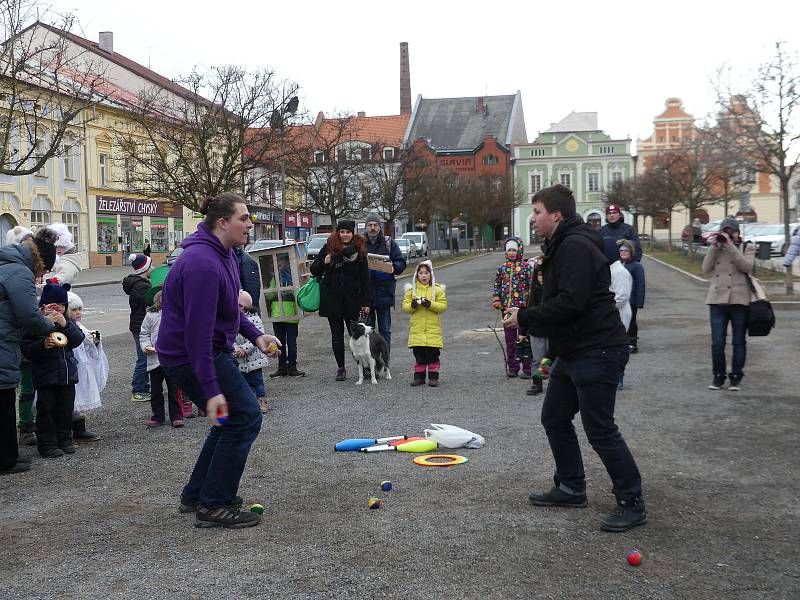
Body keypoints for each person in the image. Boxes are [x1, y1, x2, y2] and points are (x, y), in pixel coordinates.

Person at [503, 184, 645, 533]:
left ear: (556, 214)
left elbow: (571, 303)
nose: (533, 219)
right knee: (554, 417)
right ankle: (570, 486)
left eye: (537, 213)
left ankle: (631, 501)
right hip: (575, 349)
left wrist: (526, 316)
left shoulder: (576, 246)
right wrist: (552, 353)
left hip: (598, 348)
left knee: (600, 428)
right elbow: (567, 304)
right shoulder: (563, 244)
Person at [157, 192, 280, 529]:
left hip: (205, 351)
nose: (250, 224)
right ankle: (213, 504)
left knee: (230, 420)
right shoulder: (202, 264)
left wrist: (257, 336)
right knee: (245, 417)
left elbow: (227, 308)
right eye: (244, 218)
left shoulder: (224, 254)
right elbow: (197, 335)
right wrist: (211, 391)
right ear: (222, 222)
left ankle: (197, 494)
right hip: (191, 355)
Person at [0, 227, 61, 474]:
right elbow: (28, 316)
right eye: (44, 270)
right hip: (2, 340)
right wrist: (49, 323)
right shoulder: (19, 272)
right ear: (40, 262)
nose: (42, 276)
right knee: (3, 400)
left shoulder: (7, 262)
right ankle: (6, 460)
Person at [21, 281, 85, 458]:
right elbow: (26, 348)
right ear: (43, 306)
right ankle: (47, 444)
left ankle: (65, 439)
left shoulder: (68, 322)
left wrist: (65, 324)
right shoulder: (37, 323)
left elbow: (78, 339)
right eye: (53, 306)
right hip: (46, 376)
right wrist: (42, 345)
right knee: (46, 411)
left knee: (65, 409)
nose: (58, 310)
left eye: (62, 305)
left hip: (66, 375)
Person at [310, 220, 372, 381]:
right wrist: (325, 261)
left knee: (357, 335)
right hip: (332, 299)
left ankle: (364, 367)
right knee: (336, 336)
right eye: (342, 231)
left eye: (348, 232)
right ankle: (341, 368)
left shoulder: (359, 250)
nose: (345, 235)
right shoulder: (329, 247)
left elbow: (365, 279)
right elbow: (314, 269)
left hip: (353, 299)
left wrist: (366, 302)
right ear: (338, 233)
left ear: (353, 233)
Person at [702, 216, 755, 392]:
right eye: (724, 230)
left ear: (736, 232)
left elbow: (747, 266)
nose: (726, 234)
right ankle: (718, 376)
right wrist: (714, 247)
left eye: (729, 231)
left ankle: (736, 376)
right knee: (717, 342)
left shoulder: (747, 246)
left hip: (739, 300)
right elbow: (705, 268)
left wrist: (731, 246)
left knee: (739, 341)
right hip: (717, 300)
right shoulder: (717, 248)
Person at [363, 212, 406, 354]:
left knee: (385, 331)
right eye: (370, 225)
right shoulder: (360, 244)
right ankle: (369, 364)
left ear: (380, 227)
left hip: (384, 293)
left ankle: (384, 361)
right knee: (366, 332)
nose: (373, 228)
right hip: (366, 295)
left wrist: (395, 267)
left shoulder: (389, 243)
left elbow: (401, 262)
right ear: (366, 227)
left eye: (375, 225)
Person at [492, 237, 533, 378]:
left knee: (524, 338)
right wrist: (497, 299)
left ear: (519, 250)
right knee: (510, 340)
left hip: (523, 308)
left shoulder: (526, 267)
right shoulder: (502, 268)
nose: (511, 253)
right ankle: (513, 367)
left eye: (514, 250)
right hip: (507, 309)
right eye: (509, 250)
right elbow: (497, 285)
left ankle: (527, 368)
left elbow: (531, 286)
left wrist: (531, 303)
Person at [140, 291, 183, 428]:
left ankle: (176, 416)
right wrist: (146, 346)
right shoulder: (151, 315)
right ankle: (157, 416)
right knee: (156, 390)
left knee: (174, 389)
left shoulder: (178, 314)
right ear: (158, 300)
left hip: (172, 358)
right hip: (155, 359)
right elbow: (144, 333)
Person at [402, 260, 448, 387]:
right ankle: (419, 377)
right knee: (419, 355)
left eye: (426, 273)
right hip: (417, 330)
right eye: (421, 273)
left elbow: (443, 306)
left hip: (433, 330)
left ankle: (433, 377)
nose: (423, 275)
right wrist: (413, 305)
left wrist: (430, 304)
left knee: (433, 354)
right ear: (416, 275)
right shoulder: (412, 291)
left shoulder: (437, 290)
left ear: (431, 275)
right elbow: (405, 307)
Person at [67, 292, 105, 442]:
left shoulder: (79, 326)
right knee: (72, 397)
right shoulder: (68, 327)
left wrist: (94, 341)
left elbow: (88, 346)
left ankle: (78, 429)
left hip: (81, 366)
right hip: (73, 366)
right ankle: (69, 431)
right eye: (74, 310)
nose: (78, 313)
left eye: (79, 309)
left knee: (78, 396)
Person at [267, 254, 304, 378]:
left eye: (281, 261)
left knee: (282, 342)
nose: (280, 264)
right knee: (288, 343)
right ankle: (290, 367)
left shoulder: (276, 278)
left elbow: (269, 296)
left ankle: (284, 367)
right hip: (289, 314)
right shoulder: (294, 277)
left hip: (280, 314)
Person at [123, 253, 153, 402]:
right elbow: (149, 302)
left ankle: (144, 387)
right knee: (143, 357)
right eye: (151, 265)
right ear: (145, 268)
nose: (153, 268)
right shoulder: (141, 285)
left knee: (145, 356)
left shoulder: (137, 283)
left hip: (138, 324)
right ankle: (138, 389)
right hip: (141, 325)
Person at [233, 290, 269, 413]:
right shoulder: (232, 320)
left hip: (255, 358)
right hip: (240, 360)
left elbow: (258, 336)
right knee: (244, 383)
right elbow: (228, 336)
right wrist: (235, 348)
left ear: (241, 307)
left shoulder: (255, 318)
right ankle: (249, 404)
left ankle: (261, 400)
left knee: (258, 382)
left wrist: (245, 348)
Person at [525, 255, 549, 396]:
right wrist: (523, 331)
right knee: (537, 358)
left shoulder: (555, 292)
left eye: (545, 274)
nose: (542, 277)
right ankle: (536, 382)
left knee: (553, 357)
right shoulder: (534, 293)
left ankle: (557, 382)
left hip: (553, 330)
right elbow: (528, 312)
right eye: (540, 274)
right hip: (537, 331)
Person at [618, 240, 645, 353]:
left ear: (631, 252)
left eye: (626, 250)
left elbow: (640, 284)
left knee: (632, 321)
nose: (623, 252)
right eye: (621, 250)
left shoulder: (636, 266)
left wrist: (639, 301)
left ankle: (632, 343)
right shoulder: (617, 265)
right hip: (620, 298)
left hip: (632, 300)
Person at [234, 244, 261, 312]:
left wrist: (250, 310)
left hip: (243, 308)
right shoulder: (233, 258)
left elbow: (252, 290)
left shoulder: (245, 260)